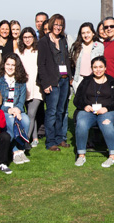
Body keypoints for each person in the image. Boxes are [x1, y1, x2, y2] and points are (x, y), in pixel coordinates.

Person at [72, 56, 114, 168]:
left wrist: (107, 108)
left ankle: (112, 156)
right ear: (91, 68)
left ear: (105, 68)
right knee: (81, 123)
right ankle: (81, 155)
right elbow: (77, 100)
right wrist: (84, 106)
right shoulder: (86, 81)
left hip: (107, 112)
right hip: (88, 112)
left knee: (106, 123)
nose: (98, 69)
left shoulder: (112, 81)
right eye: (95, 67)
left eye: (101, 67)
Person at [36, 14, 73, 151]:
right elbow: (41, 64)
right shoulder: (44, 42)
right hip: (52, 82)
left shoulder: (63, 39)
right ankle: (50, 141)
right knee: (51, 112)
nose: (58, 27)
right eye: (56, 24)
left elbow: (66, 59)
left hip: (64, 81)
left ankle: (60, 138)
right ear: (51, 25)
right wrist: (45, 83)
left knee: (61, 111)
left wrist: (69, 76)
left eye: (61, 25)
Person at [0, 54, 31, 165]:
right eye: (8, 64)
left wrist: (18, 110)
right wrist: (8, 110)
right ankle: (15, 150)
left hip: (17, 110)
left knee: (25, 120)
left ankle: (21, 148)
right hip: (3, 111)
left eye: (13, 65)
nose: (10, 67)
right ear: (4, 65)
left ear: (17, 67)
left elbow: (21, 100)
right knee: (10, 120)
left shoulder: (21, 81)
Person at [16, 27, 44, 148]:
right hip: (24, 86)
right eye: (25, 37)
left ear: (34, 37)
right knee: (30, 113)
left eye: (30, 37)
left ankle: (25, 139)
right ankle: (35, 137)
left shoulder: (39, 51)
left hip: (37, 86)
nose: (27, 40)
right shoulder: (19, 52)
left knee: (31, 114)